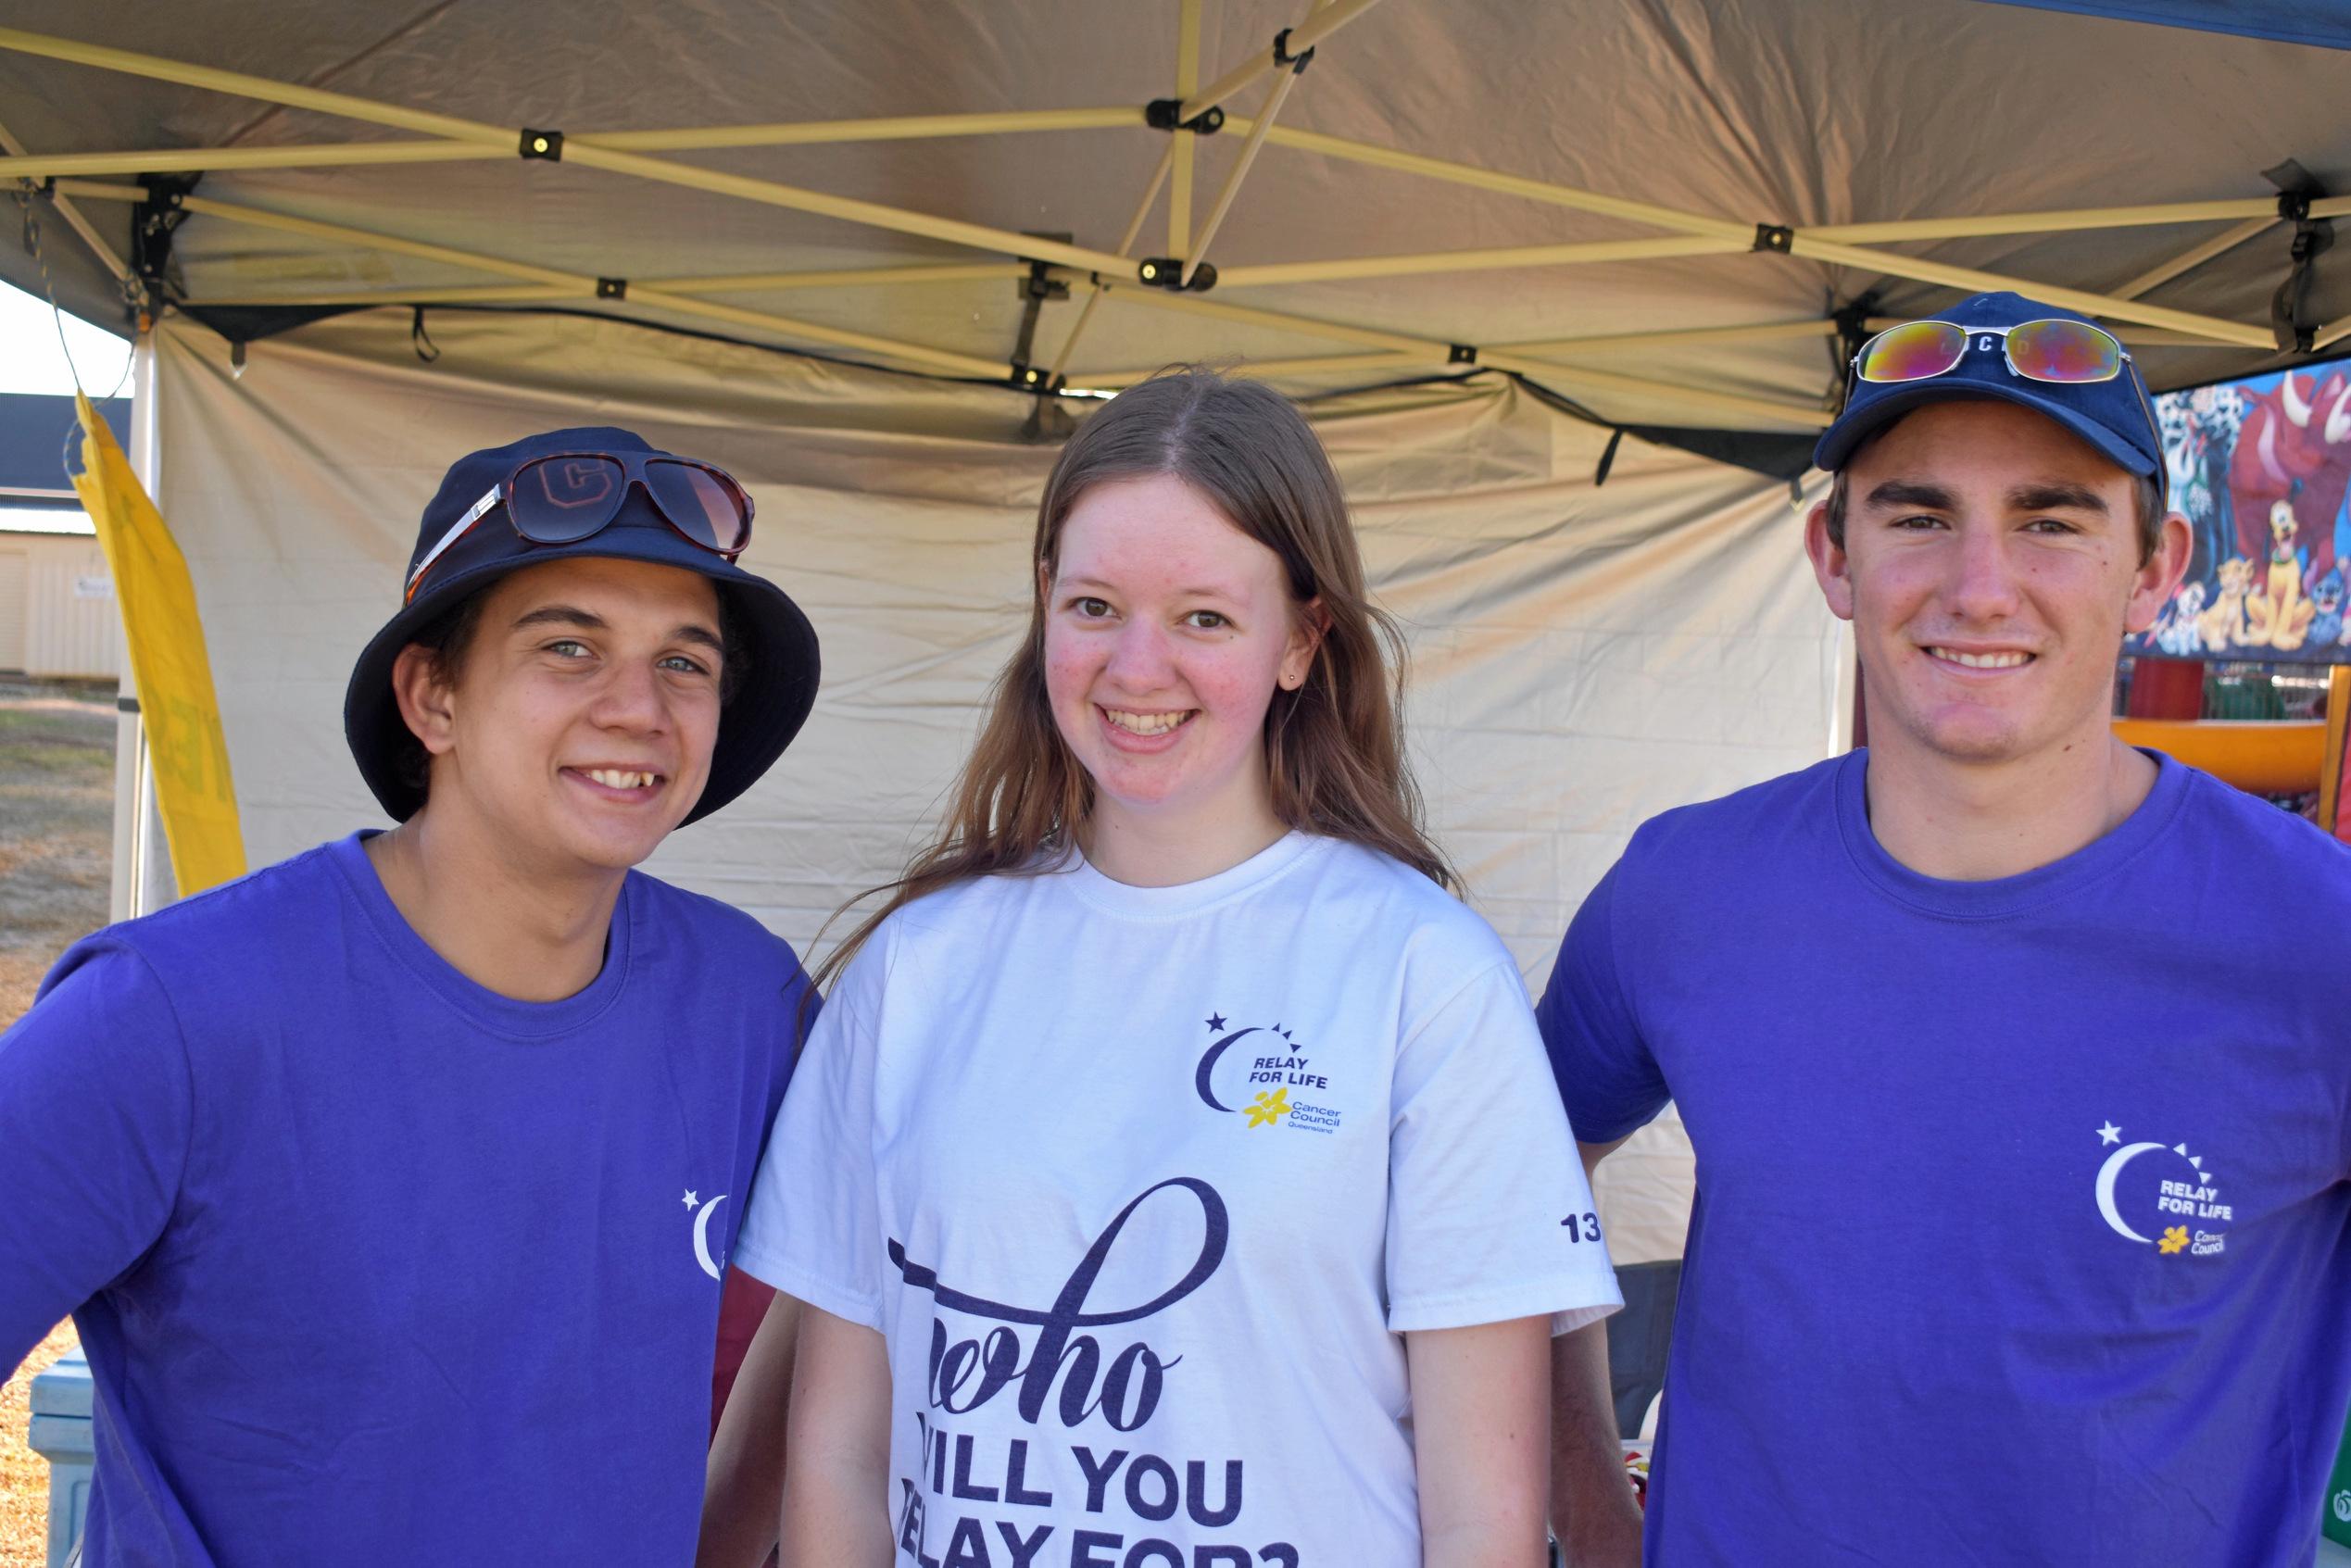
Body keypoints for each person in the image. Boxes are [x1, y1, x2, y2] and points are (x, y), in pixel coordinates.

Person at [701, 369, 1631, 1568]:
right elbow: (839, 1459)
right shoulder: (916, 966)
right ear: (1042, 602)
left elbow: (1481, 1521)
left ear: (1301, 639)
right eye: (1094, 605)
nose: (1138, 669)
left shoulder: (1419, 973)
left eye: (1203, 616)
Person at [1539, 292, 2351, 1564]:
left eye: (2050, 520)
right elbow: (1510, 1188)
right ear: (1832, 558)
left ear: (2154, 571)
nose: (1979, 587)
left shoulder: (2315, 938)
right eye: (1917, 516)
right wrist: (1588, 1512)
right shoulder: (1683, 891)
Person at [0, 427, 823, 1566]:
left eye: (685, 661)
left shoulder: (750, 1006)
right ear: (432, 696)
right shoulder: (169, 1015)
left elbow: (819, 1361)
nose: (640, 707)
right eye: (570, 648)